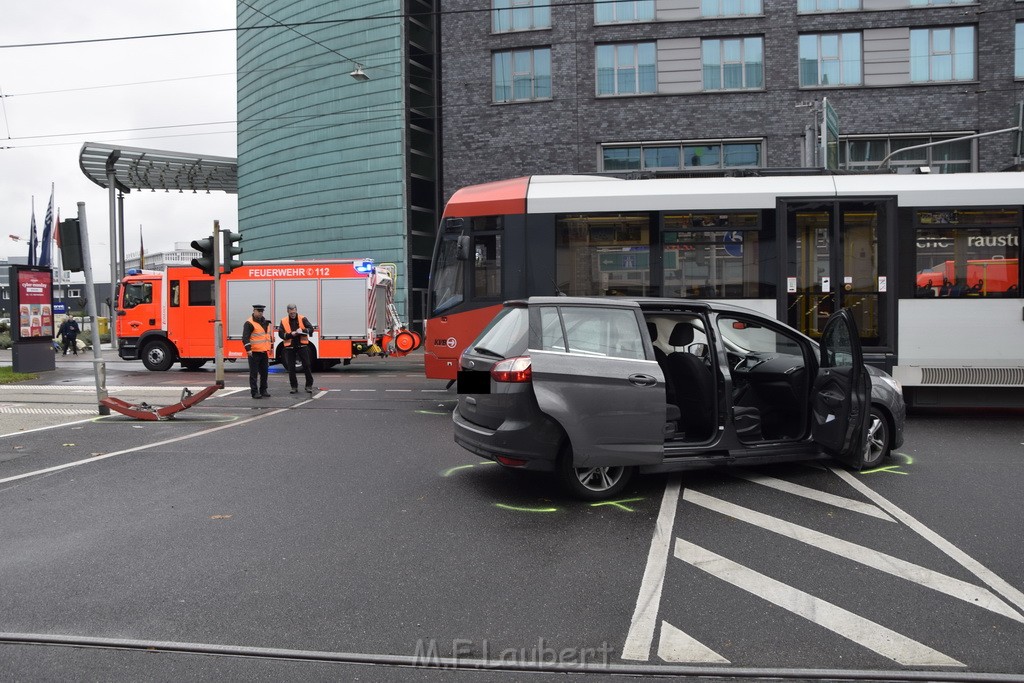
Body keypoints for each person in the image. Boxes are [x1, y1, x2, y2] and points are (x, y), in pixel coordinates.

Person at [279, 304, 316, 394]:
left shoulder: (303, 318)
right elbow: (281, 334)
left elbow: (311, 329)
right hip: (290, 347)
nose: (293, 314)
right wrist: (291, 334)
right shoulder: (283, 321)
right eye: (291, 312)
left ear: (296, 311)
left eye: (294, 312)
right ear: (288, 311)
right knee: (291, 368)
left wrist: (302, 331)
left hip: (302, 346)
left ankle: (309, 386)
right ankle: (294, 387)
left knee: (307, 365)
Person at [242, 304, 273, 399]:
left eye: (261, 311)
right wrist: (248, 350)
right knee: (254, 373)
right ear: (254, 311)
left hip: (264, 352)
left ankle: (263, 390)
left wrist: (271, 347)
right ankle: (254, 392)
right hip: (254, 352)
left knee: (264, 373)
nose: (260, 313)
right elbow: (245, 338)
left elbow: (268, 336)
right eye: (258, 311)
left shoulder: (265, 322)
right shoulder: (249, 323)